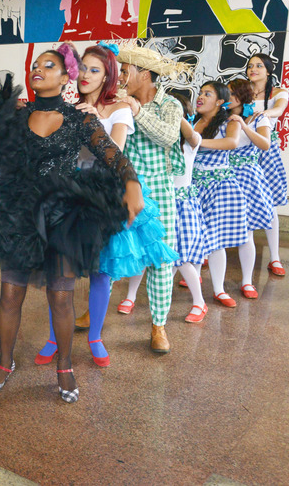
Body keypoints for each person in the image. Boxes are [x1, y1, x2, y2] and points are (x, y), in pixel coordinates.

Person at [0, 44, 143, 403]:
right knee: (10, 294)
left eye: (49, 65)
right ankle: (5, 362)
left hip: (63, 220)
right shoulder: (16, 117)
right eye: (35, 65)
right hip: (18, 217)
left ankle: (65, 367)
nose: (38, 70)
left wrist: (132, 184)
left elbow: (113, 157)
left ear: (65, 77)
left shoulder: (80, 119)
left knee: (61, 298)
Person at [34, 42, 177, 368]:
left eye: (94, 70)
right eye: (83, 67)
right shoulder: (69, 107)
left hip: (104, 197)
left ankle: (95, 338)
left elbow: (116, 155)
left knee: (101, 271)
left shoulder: (119, 108)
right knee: (61, 271)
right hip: (69, 193)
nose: (85, 74)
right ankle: (55, 338)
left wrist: (94, 120)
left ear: (107, 76)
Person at [114, 46, 188, 353]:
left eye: (125, 70)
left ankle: (159, 326)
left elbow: (169, 137)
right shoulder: (119, 101)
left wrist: (137, 112)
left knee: (160, 261)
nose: (120, 76)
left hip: (159, 191)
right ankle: (94, 309)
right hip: (125, 189)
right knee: (112, 252)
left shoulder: (169, 104)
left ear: (144, 74)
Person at [125, 92, 209, 322]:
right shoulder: (155, 146)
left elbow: (190, 135)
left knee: (180, 258)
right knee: (146, 253)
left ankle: (199, 302)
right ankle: (130, 296)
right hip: (158, 203)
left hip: (181, 206)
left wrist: (174, 114)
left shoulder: (190, 142)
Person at [192, 81, 248, 307]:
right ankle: (194, 283)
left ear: (219, 101)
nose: (201, 97)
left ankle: (219, 290)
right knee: (194, 236)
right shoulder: (194, 121)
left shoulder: (229, 121)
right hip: (193, 186)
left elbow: (231, 143)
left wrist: (196, 142)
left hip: (218, 187)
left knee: (216, 241)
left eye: (208, 94)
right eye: (200, 92)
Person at [227, 79, 275, 299]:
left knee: (246, 232)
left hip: (247, 178)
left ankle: (247, 281)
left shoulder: (258, 117)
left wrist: (244, 125)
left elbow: (265, 144)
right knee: (211, 227)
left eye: (230, 94)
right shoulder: (220, 117)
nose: (226, 98)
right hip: (222, 175)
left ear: (241, 97)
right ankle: (197, 273)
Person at [246, 53, 288, 276]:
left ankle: (275, 258)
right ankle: (209, 252)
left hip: (265, 150)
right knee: (233, 199)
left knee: (269, 203)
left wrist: (262, 114)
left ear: (269, 70)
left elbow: (279, 110)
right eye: (250, 66)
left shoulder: (278, 92)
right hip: (240, 150)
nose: (253, 69)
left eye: (259, 66)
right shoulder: (242, 91)